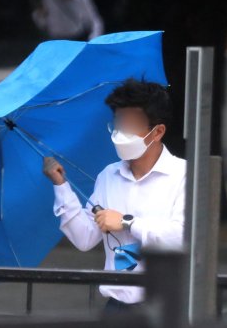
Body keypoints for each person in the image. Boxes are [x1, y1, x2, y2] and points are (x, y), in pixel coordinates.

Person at [43, 79, 185, 312]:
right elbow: (85, 238)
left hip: (167, 309)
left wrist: (127, 222)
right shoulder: (109, 176)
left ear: (157, 131)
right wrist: (61, 186)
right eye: (119, 122)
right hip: (117, 308)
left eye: (131, 123)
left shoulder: (183, 175)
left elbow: (182, 238)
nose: (121, 132)